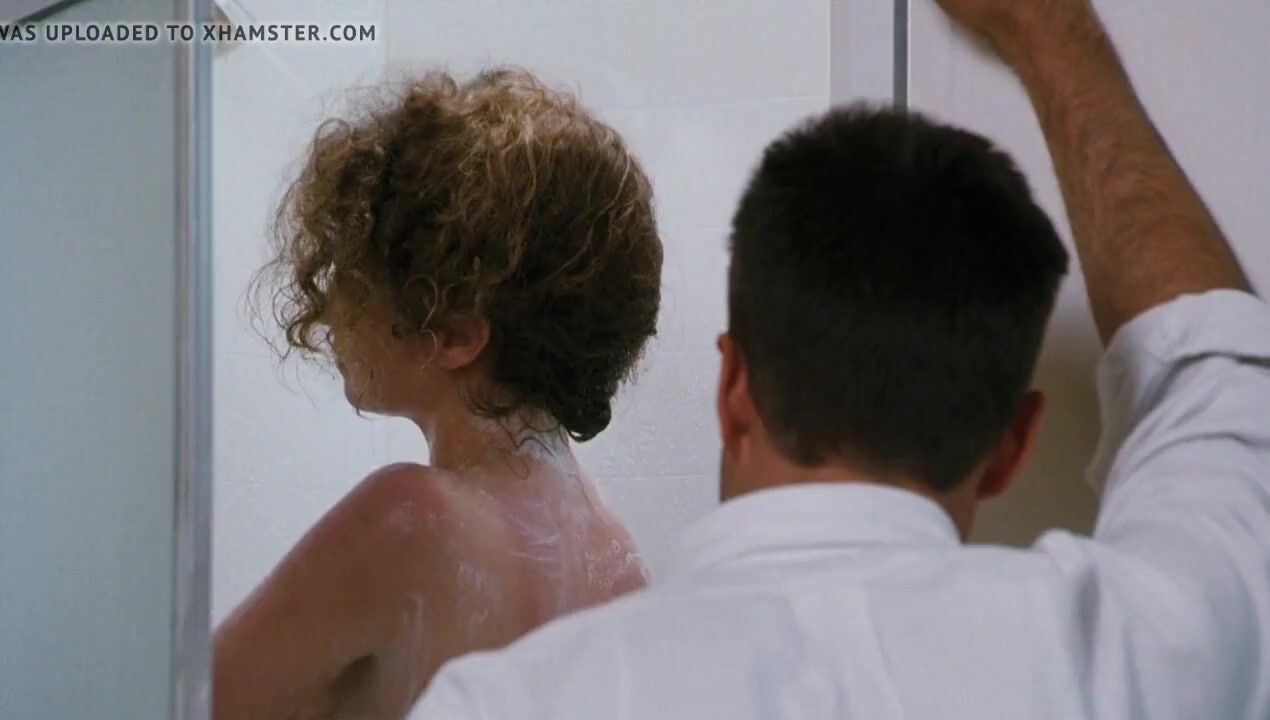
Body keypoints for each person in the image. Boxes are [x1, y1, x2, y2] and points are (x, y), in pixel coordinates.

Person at [409, 1, 1270, 718]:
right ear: (1013, 445)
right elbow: (1215, 367)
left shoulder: (508, 703)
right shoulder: (1134, 655)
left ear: (732, 390)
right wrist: (1049, 31)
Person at [213, 68, 661, 720]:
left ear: (453, 333)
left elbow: (175, 702)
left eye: (355, 274)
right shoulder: (616, 557)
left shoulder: (409, 521)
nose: (331, 307)